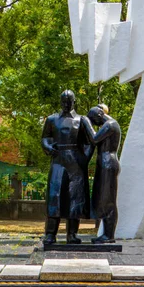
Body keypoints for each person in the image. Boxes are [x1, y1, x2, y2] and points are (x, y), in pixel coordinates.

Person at [41, 90, 93, 244]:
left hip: (76, 163)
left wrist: (84, 159)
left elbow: (90, 141)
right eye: (63, 101)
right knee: (54, 196)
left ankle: (72, 234)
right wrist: (48, 147)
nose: (66, 104)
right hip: (58, 161)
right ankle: (50, 234)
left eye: (69, 101)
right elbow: (45, 137)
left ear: (74, 101)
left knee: (75, 198)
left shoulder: (81, 120)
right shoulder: (52, 119)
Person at [83, 104, 122, 243]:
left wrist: (86, 122)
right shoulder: (109, 125)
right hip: (104, 164)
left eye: (94, 121)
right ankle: (107, 233)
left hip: (108, 164)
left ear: (99, 115)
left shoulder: (110, 125)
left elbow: (94, 139)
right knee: (104, 200)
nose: (95, 124)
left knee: (109, 201)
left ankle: (109, 235)